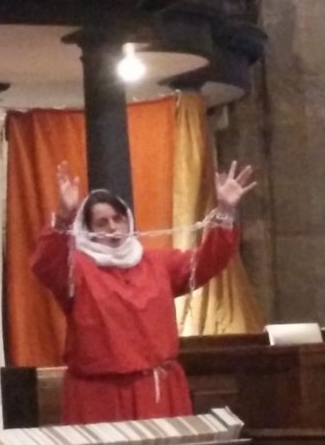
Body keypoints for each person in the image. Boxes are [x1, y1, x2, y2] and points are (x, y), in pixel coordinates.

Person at [30, 159, 256, 422]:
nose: (113, 227)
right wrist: (64, 215)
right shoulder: (77, 270)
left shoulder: (157, 263)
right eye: (102, 223)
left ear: (128, 220)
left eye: (118, 219)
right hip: (100, 398)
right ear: (88, 231)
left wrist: (225, 211)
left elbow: (206, 263)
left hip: (157, 393)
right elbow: (45, 264)